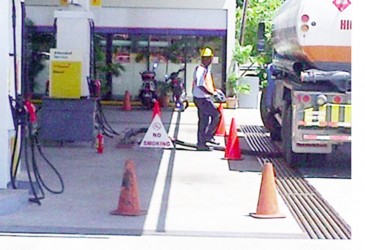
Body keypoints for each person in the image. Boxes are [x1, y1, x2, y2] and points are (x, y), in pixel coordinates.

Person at [192, 47, 221, 151]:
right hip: (202, 99)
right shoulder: (201, 70)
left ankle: (201, 143)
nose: (208, 60)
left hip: (201, 98)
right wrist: (212, 94)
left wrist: (214, 91)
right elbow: (201, 85)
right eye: (207, 58)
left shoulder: (204, 69)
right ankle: (208, 137)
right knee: (216, 115)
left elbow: (206, 84)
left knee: (203, 120)